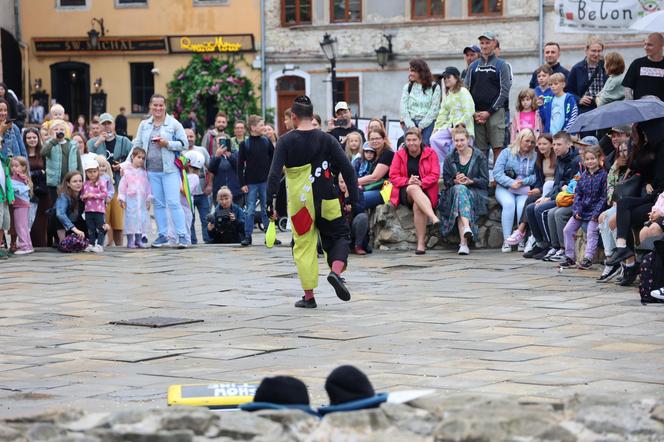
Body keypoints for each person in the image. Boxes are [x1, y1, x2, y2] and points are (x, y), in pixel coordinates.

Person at [266, 95, 358, 309]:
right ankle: (335, 273)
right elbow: (348, 170)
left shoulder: (285, 141)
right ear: (311, 114)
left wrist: (271, 204)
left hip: (300, 204)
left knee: (303, 246)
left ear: (294, 117)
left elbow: (273, 175)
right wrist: (354, 199)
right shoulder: (327, 139)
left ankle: (309, 296)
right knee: (339, 236)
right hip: (327, 197)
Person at [605, 119, 664, 286]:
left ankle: (631, 264)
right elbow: (636, 166)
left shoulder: (660, 146)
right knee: (623, 206)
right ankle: (623, 248)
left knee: (622, 216)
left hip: (659, 199)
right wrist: (635, 144)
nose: (636, 130)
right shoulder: (644, 145)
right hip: (651, 196)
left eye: (639, 129)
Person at [129, 93, 188, 249]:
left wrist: (167, 143)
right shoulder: (144, 125)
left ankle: (183, 236)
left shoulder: (174, 124)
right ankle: (162, 236)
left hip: (170, 170)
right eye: (155, 105)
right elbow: (138, 145)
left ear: (165, 106)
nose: (158, 108)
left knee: (174, 203)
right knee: (159, 204)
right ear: (150, 106)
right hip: (152, 171)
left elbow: (184, 143)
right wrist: (128, 164)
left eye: (161, 105)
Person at [523, 131, 579, 260]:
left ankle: (552, 246)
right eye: (554, 144)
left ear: (569, 144)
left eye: (559, 144)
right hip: (558, 195)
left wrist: (550, 198)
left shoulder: (575, 160)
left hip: (567, 198)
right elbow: (557, 183)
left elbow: (569, 186)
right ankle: (541, 243)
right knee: (530, 208)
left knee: (541, 210)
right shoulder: (560, 158)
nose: (556, 147)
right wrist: (546, 197)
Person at [389, 127, 441, 255]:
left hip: (426, 189)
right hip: (405, 191)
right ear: (405, 141)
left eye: (414, 140)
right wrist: (408, 181)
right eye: (408, 140)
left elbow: (435, 174)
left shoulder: (431, 153)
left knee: (418, 206)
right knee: (412, 188)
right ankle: (433, 217)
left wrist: (422, 182)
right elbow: (393, 176)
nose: (411, 143)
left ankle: (420, 244)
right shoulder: (399, 154)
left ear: (420, 140)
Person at [440, 127, 489, 255]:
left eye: (462, 140)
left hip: (475, 192)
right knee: (460, 190)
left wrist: (470, 181)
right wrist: (455, 181)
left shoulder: (479, 156)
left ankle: (463, 243)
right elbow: (446, 181)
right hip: (454, 192)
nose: (459, 143)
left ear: (468, 140)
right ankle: (467, 228)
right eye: (456, 140)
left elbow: (485, 181)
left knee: (461, 194)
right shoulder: (449, 158)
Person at [464, 31, 512, 162]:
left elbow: (504, 91)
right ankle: (483, 180)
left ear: (494, 44)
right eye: (482, 43)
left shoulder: (502, 65)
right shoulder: (473, 66)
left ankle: (498, 180)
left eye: (487, 42)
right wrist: (473, 112)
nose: (484, 46)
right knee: (480, 149)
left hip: (495, 112)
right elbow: (466, 90)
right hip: (477, 114)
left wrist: (489, 112)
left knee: (498, 147)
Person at [559, 145, 607, 270]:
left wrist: (596, 214)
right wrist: (576, 210)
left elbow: (603, 197)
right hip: (582, 210)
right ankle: (570, 257)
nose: (590, 162)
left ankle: (588, 258)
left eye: (593, 159)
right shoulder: (583, 176)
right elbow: (578, 195)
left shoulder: (603, 176)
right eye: (587, 159)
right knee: (567, 230)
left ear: (599, 158)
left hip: (595, 211)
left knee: (592, 232)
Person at [505, 133, 557, 252]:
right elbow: (538, 180)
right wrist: (538, 189)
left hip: (554, 191)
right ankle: (530, 237)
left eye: (545, 144)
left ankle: (522, 231)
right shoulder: (539, 160)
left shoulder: (557, 159)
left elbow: (558, 180)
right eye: (539, 144)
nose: (542, 147)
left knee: (534, 203)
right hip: (543, 190)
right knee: (530, 202)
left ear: (551, 145)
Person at [89, 112, 132, 246]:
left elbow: (132, 156)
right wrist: (98, 142)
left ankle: (119, 246)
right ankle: (101, 244)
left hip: (118, 184)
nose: (107, 127)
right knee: (102, 219)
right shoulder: (93, 142)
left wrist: (121, 165)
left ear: (114, 125)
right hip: (99, 187)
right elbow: (87, 156)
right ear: (100, 126)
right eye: (104, 124)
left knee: (118, 220)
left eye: (109, 123)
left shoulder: (124, 141)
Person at [493, 128, 538, 252]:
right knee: (509, 205)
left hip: (524, 189)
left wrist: (524, 181)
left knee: (522, 207)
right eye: (527, 141)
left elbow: (536, 176)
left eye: (532, 142)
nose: (529, 145)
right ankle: (507, 240)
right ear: (520, 140)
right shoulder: (506, 153)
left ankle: (520, 240)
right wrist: (511, 183)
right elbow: (497, 173)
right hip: (505, 188)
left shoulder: (534, 156)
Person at [237, 115, 274, 246]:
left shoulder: (266, 142)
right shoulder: (244, 144)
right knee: (250, 209)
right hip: (251, 182)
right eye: (261, 125)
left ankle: (270, 236)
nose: (263, 127)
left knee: (267, 208)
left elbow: (273, 158)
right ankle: (247, 236)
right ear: (253, 127)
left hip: (265, 181)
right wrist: (243, 183)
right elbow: (240, 165)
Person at [430, 66, 475, 166]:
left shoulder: (463, 91)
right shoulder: (448, 94)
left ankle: (459, 168)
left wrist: (459, 124)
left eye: (448, 77)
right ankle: (444, 165)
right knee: (433, 139)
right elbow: (443, 113)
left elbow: (469, 111)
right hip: (450, 128)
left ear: (456, 78)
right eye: (444, 78)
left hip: (464, 128)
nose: (446, 80)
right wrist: (436, 128)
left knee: (461, 149)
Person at [41, 119, 83, 207]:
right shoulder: (49, 144)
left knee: (70, 205)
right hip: (55, 182)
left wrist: (81, 178)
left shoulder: (72, 144)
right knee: (55, 206)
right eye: (56, 129)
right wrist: (54, 141)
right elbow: (43, 153)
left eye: (62, 129)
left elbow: (79, 163)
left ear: (66, 131)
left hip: (70, 182)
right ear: (50, 132)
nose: (59, 131)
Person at [399, 59, 441, 146]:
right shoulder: (407, 87)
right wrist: (411, 126)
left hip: (428, 125)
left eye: (413, 71)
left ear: (421, 72)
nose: (410, 73)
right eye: (410, 70)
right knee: (409, 149)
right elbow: (403, 108)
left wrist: (421, 126)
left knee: (425, 149)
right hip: (410, 123)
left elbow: (434, 110)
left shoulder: (434, 87)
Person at [118, 147, 151, 249]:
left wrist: (148, 198)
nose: (141, 160)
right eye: (139, 157)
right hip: (131, 200)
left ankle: (138, 240)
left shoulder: (144, 172)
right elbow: (122, 185)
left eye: (143, 158)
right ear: (133, 157)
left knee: (141, 219)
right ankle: (130, 241)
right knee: (131, 219)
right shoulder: (127, 171)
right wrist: (122, 198)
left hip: (141, 200)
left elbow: (148, 186)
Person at [566, 36, 606, 115]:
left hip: (603, 110)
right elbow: (568, 90)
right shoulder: (577, 68)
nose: (596, 54)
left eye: (599, 51)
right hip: (584, 111)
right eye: (593, 51)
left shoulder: (606, 66)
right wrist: (579, 100)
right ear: (586, 50)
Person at [23, 128, 49, 247]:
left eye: (34, 137)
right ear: (25, 139)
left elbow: (47, 170)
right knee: (28, 218)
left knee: (41, 218)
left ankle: (41, 243)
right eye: (29, 138)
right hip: (27, 190)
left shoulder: (42, 153)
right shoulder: (22, 154)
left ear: (38, 139)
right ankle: (28, 242)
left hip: (42, 190)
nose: (32, 140)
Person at [184, 129, 211, 244]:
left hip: (202, 191)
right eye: (187, 136)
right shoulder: (180, 152)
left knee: (206, 218)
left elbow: (210, 168)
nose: (189, 138)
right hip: (187, 193)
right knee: (190, 219)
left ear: (195, 137)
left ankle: (208, 239)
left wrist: (209, 185)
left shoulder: (202, 150)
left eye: (191, 136)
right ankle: (192, 240)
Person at [357, 128, 394, 210]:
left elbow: (375, 177)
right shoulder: (375, 154)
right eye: (372, 139)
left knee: (358, 200)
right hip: (376, 187)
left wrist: (353, 182)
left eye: (377, 138)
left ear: (384, 139)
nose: (374, 141)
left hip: (385, 190)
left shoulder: (387, 153)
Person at [622, 32, 664, 101]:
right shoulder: (637, 64)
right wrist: (631, 104)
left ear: (660, 45)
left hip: (661, 110)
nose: (645, 47)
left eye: (650, 45)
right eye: (645, 44)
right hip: (640, 110)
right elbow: (627, 88)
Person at [81, 159, 109, 252]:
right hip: (88, 210)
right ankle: (91, 243)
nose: (92, 174)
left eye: (94, 171)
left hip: (99, 210)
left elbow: (104, 194)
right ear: (86, 173)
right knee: (90, 228)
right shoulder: (85, 184)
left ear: (98, 171)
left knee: (101, 227)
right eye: (89, 172)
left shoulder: (102, 182)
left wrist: (93, 195)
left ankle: (100, 244)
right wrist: (84, 197)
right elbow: (81, 195)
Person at [338, 174, 369, 255]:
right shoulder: (335, 193)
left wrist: (352, 206)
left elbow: (361, 208)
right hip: (339, 227)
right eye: (341, 182)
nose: (344, 185)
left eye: (347, 182)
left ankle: (357, 246)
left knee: (363, 217)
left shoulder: (357, 191)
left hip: (352, 225)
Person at [54, 171, 87, 246]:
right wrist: (75, 229)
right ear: (68, 184)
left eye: (80, 181)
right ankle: (62, 242)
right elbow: (60, 214)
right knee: (57, 215)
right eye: (74, 181)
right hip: (65, 225)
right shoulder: (63, 196)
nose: (78, 183)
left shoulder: (84, 195)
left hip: (76, 222)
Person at [9, 157, 33, 255]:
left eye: (16, 166)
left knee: (20, 226)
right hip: (21, 204)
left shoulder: (19, 177)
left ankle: (25, 246)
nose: (14, 168)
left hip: (21, 204)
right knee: (23, 225)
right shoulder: (20, 176)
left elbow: (19, 188)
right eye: (12, 166)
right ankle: (28, 244)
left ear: (23, 167)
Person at [209, 133, 241, 205]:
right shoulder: (214, 157)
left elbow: (239, 167)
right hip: (220, 193)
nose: (222, 144)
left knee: (237, 215)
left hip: (235, 192)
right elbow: (211, 169)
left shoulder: (236, 154)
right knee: (221, 215)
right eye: (219, 142)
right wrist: (217, 156)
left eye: (224, 142)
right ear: (216, 144)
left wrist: (229, 156)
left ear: (228, 142)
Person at [0, 149, 12, 259]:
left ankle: (1, 246)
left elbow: (7, 180)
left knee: (4, 223)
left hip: (4, 198)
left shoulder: (3, 160)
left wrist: (10, 195)